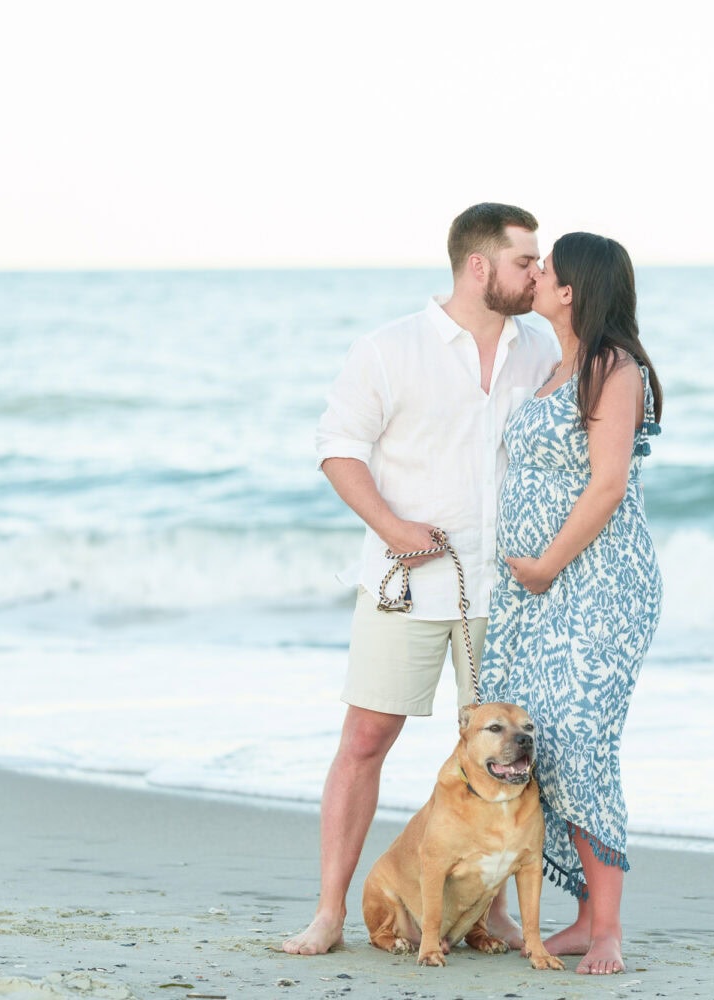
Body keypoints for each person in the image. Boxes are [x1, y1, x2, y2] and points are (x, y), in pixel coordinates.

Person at [282, 204, 560, 955]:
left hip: (500, 593)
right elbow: (338, 446)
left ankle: (493, 914)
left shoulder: (537, 349)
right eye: (525, 261)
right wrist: (395, 528)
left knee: (503, 755)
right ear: (480, 267)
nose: (537, 272)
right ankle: (331, 912)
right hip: (404, 582)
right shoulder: (390, 348)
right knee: (367, 738)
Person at [479, 232, 663, 976]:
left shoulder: (612, 368)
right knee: (542, 743)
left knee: (583, 739)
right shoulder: (555, 367)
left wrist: (547, 565)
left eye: (547, 267)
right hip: (533, 594)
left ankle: (608, 927)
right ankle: (582, 916)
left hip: (600, 582)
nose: (537, 274)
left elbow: (608, 484)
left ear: (572, 291)